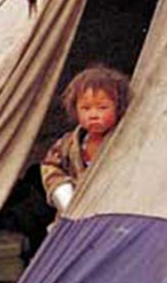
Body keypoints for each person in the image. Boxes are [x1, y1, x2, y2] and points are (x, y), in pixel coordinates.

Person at [39, 64, 131, 211]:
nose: (93, 115)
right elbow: (50, 166)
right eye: (86, 108)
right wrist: (62, 192)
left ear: (118, 107)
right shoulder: (67, 144)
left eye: (102, 107)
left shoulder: (126, 142)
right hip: (74, 215)